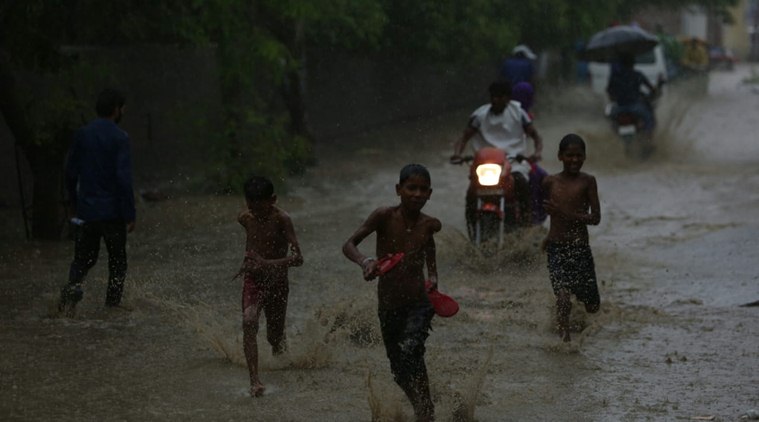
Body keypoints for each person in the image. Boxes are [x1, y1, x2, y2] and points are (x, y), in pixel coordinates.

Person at [342, 164, 442, 422]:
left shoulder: (429, 224)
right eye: (411, 188)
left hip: (420, 302)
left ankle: (425, 411)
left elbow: (429, 251)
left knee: (412, 351)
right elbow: (349, 244)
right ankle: (422, 404)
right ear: (399, 190)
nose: (417, 194)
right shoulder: (383, 216)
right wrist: (365, 262)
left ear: (430, 193)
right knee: (398, 368)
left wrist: (433, 277)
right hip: (388, 304)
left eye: (422, 190)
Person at [58, 88, 135, 312]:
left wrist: (73, 203)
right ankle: (112, 305)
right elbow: (123, 179)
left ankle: (69, 297)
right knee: (118, 261)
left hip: (87, 210)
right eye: (122, 108)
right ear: (115, 110)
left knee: (83, 259)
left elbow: (70, 172)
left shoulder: (83, 134)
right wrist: (130, 213)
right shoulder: (120, 138)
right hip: (113, 213)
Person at [237, 176, 303, 397]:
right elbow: (251, 244)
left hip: (277, 282)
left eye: (260, 205)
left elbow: (298, 258)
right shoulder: (245, 218)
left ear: (272, 200)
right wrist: (247, 263)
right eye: (251, 204)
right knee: (249, 321)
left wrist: (267, 263)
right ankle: (255, 381)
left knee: (274, 337)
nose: (255, 211)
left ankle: (284, 369)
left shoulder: (282, 219)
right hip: (253, 280)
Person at [450, 81, 543, 228]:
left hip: (512, 163)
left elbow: (536, 137)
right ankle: (472, 227)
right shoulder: (479, 115)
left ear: (507, 98)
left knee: (522, 184)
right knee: (471, 194)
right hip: (484, 164)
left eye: (500, 97)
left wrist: (536, 153)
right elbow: (464, 138)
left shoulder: (519, 113)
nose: (495, 100)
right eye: (493, 97)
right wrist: (457, 154)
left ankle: (526, 226)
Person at [541, 134, 601, 342]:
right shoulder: (549, 182)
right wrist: (548, 236)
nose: (574, 160)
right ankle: (564, 340)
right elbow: (545, 213)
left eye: (578, 155)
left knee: (592, 307)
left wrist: (564, 212)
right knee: (563, 296)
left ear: (584, 156)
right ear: (560, 156)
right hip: (556, 248)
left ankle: (574, 319)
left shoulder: (588, 182)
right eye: (569, 155)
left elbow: (595, 218)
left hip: (580, 248)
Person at [606, 53, 658, 140]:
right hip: (635, 107)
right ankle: (649, 141)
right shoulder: (637, 75)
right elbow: (651, 89)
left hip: (619, 108)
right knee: (650, 120)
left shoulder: (615, 76)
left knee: (611, 122)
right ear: (633, 63)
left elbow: (609, 91)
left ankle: (614, 139)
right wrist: (655, 90)